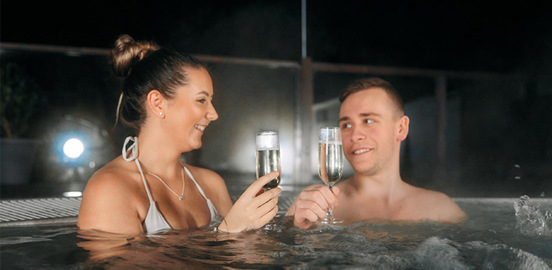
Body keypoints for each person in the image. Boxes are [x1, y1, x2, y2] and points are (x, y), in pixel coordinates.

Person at [78, 35, 280, 234]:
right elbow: (120, 267)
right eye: (201, 100)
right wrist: (227, 232)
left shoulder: (211, 184)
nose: (214, 114)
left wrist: (295, 220)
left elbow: (248, 258)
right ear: (158, 104)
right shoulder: (110, 189)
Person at [287, 77, 465, 229]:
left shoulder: (441, 210)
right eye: (346, 125)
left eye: (368, 120)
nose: (355, 135)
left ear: (401, 128)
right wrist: (298, 231)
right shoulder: (312, 204)